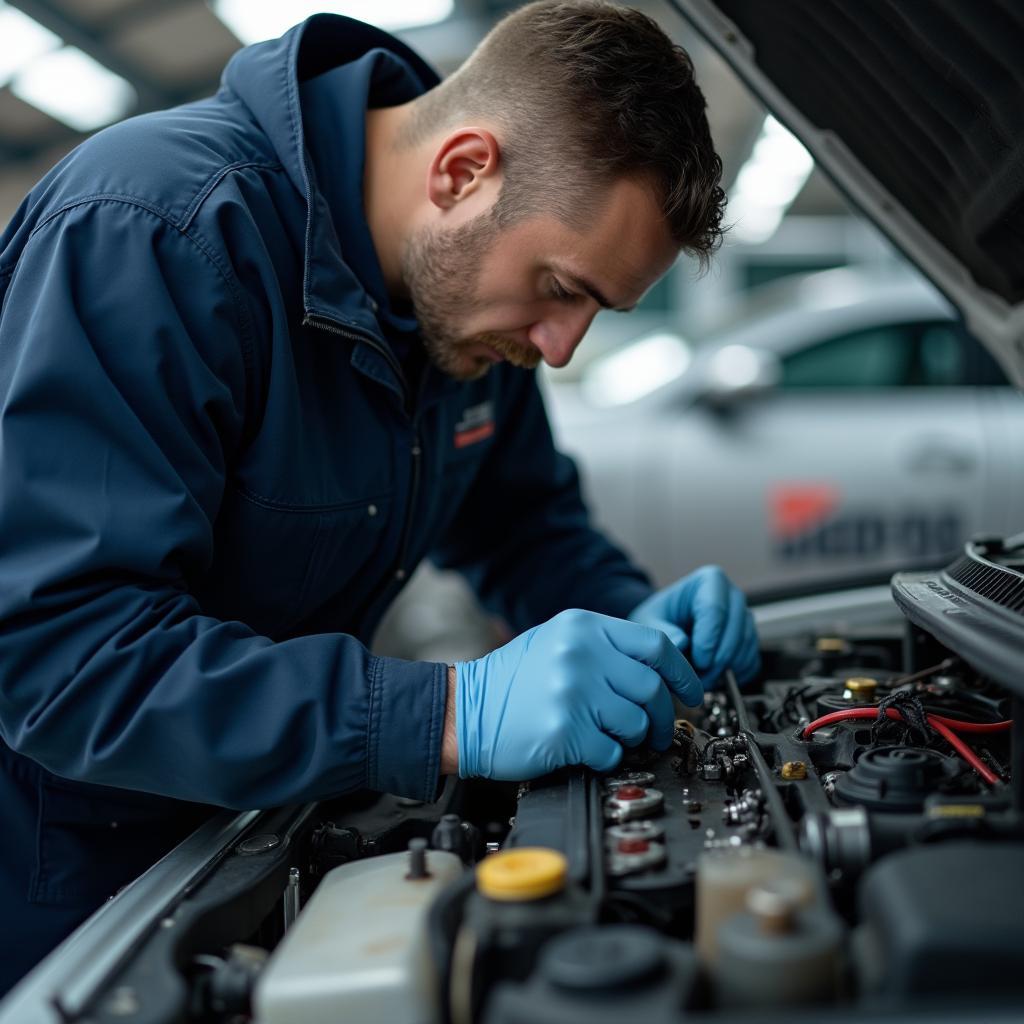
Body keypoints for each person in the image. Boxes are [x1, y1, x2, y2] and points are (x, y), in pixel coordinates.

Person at [0, 0, 758, 993]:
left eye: (594, 309)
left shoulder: (469, 298)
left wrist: (627, 618)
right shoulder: (155, 232)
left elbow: (524, 521)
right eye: (560, 286)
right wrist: (445, 712)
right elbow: (63, 653)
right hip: (78, 885)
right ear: (461, 171)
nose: (561, 347)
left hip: (258, 833)